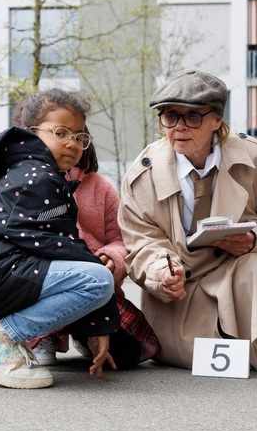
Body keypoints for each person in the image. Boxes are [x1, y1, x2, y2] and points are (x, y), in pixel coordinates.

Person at [0, 89, 118, 389]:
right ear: (30, 133)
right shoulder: (39, 177)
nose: (72, 143)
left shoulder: (27, 171)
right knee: (97, 281)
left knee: (44, 267)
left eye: (79, 136)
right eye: (60, 132)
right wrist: (102, 318)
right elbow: (64, 246)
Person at [118, 70, 257, 371]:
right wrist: (162, 273)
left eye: (193, 117)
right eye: (170, 116)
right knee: (187, 358)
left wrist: (253, 239)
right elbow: (141, 241)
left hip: (233, 268)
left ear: (217, 120)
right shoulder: (142, 174)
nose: (180, 127)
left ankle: (240, 346)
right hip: (179, 285)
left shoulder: (254, 158)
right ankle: (235, 350)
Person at [29, 138, 160, 369]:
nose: (69, 144)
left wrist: (111, 257)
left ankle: (85, 335)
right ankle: (41, 337)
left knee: (126, 356)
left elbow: (120, 238)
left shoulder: (102, 188)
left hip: (94, 285)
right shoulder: (31, 184)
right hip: (45, 283)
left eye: (78, 137)